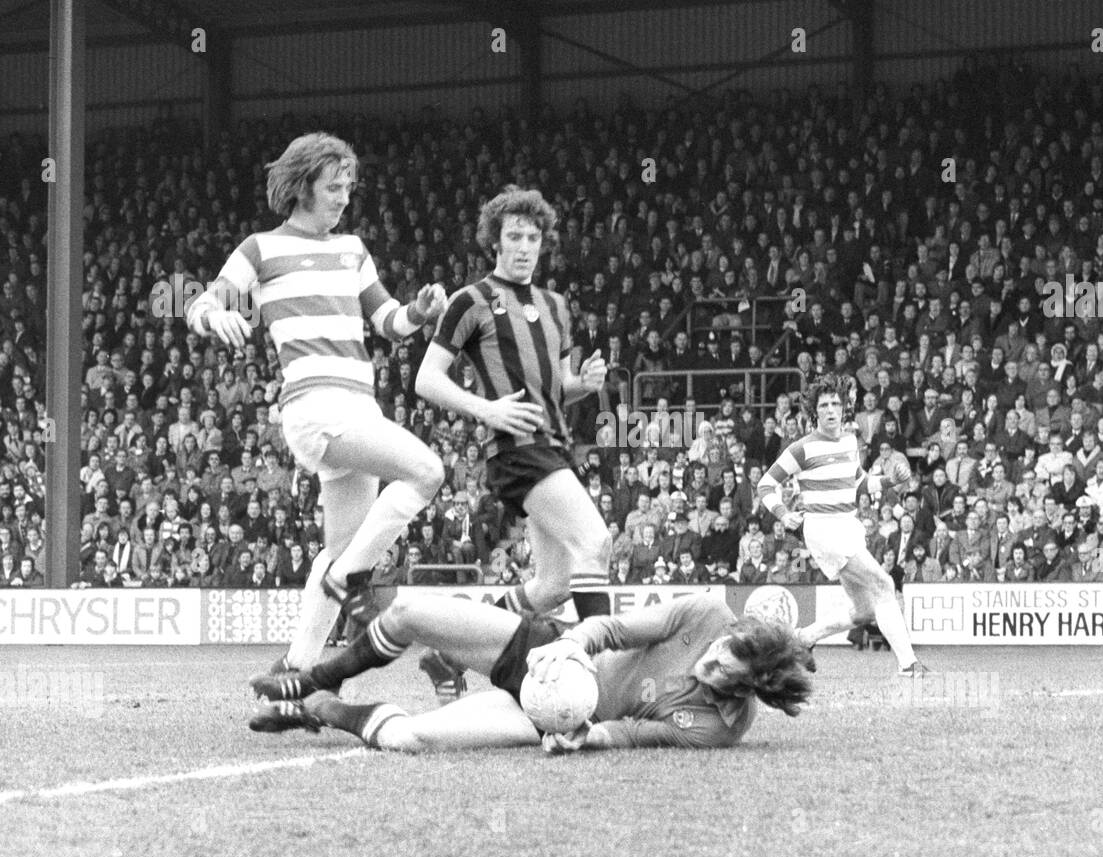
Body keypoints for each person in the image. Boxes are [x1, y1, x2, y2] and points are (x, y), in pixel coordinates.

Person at [186, 133, 447, 719]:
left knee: (333, 554)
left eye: (349, 187)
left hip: (359, 406)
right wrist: (215, 316)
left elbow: (390, 321)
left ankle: (295, 685)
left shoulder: (354, 249)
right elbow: (203, 302)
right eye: (334, 187)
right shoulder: (261, 248)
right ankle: (356, 582)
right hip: (313, 406)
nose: (344, 198)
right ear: (303, 186)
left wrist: (421, 312)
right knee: (428, 470)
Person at [414, 187, 611, 698]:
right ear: (494, 243)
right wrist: (487, 409)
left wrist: (582, 386)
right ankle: (605, 672)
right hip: (517, 450)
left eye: (533, 237)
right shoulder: (471, 301)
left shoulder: (556, 306)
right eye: (514, 237)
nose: (525, 246)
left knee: (552, 586)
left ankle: (449, 651)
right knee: (596, 542)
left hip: (553, 445)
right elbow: (426, 379)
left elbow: (556, 389)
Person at [249, 591, 812, 753]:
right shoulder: (708, 613)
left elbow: (631, 733)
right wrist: (568, 645)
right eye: (716, 648)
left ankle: (321, 708)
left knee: (414, 738)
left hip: (548, 717)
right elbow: (613, 630)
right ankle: (318, 676)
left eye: (720, 667)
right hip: (545, 654)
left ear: (748, 684)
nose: (709, 657)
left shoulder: (722, 726)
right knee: (408, 611)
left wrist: (583, 739)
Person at [757, 376, 926, 674]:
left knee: (862, 611)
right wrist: (783, 514)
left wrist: (892, 480)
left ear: (844, 407)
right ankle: (909, 665)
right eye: (824, 405)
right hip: (823, 529)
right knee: (884, 584)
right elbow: (766, 484)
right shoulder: (802, 448)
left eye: (836, 403)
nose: (832, 409)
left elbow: (860, 483)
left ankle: (802, 638)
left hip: (848, 526)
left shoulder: (850, 440)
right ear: (814, 411)